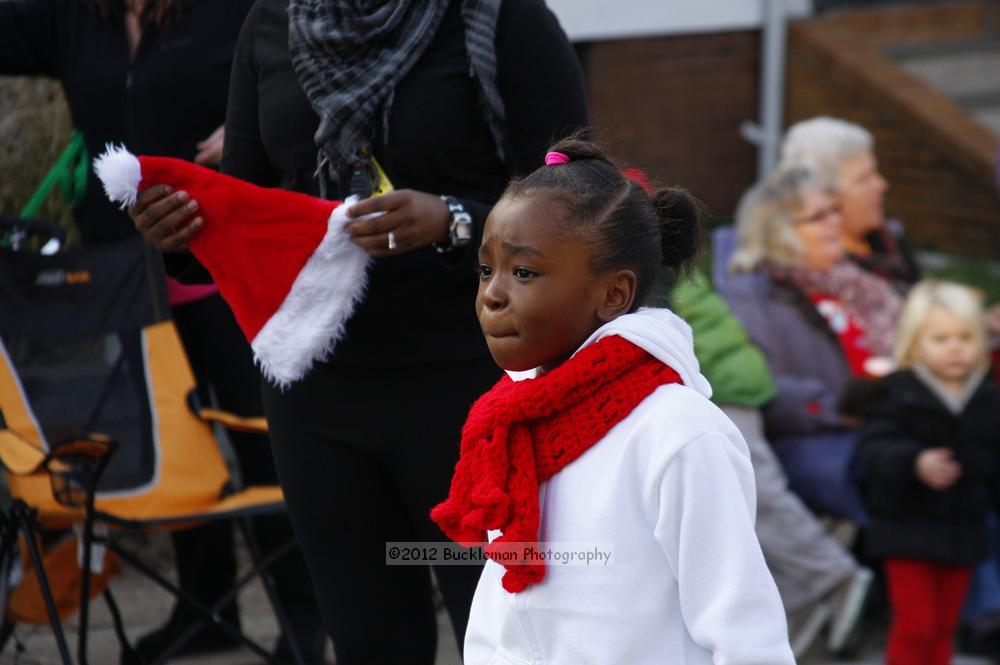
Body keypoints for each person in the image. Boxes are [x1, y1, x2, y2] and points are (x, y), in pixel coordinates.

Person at [127, 1, 589, 663]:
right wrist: (183, 232)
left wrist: (453, 219)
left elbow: (576, 196)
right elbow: (250, 201)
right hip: (318, 396)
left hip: (473, 385)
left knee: (506, 631)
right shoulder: (273, 22)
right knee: (370, 640)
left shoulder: (499, 17)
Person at [0, 2, 324, 663]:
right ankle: (205, 608)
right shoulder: (74, 19)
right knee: (169, 436)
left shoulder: (231, 11)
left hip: (223, 266)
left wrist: (246, 131)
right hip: (124, 282)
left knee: (262, 439)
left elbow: (310, 82)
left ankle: (302, 620)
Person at [431, 138, 794, 664]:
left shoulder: (679, 432)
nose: (493, 293)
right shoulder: (509, 421)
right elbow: (500, 608)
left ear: (613, 294)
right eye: (487, 270)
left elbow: (745, 633)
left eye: (524, 272)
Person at [672, 269, 872, 658]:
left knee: (752, 495)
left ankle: (834, 574)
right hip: (728, 371)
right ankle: (808, 598)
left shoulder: (639, 245)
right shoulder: (668, 248)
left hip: (722, 378)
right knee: (749, 496)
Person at [716, 165, 904, 521]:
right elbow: (768, 390)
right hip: (829, 443)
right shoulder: (754, 295)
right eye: (819, 216)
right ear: (778, 232)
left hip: (886, 427)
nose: (836, 221)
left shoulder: (850, 281)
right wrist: (841, 409)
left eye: (835, 209)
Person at [857, 280, 1000, 665]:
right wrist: (913, 461)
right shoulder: (898, 393)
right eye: (941, 338)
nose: (955, 347)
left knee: (943, 628)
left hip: (963, 533)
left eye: (965, 337)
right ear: (916, 343)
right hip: (906, 531)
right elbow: (872, 450)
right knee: (915, 625)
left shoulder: (987, 399)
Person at [779, 116, 920, 292]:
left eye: (875, 173)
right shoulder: (818, 270)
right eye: (863, 179)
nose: (881, 184)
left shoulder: (888, 240)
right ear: (823, 195)